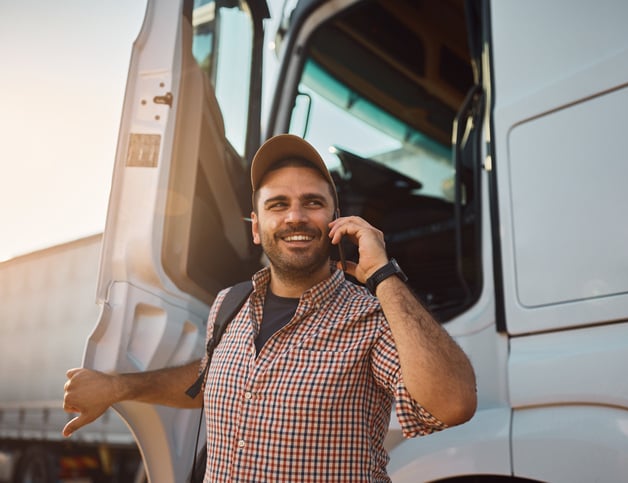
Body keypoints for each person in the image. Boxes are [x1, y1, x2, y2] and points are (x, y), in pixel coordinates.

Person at [63, 134, 477, 481]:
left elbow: (454, 404)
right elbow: (209, 381)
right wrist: (118, 387)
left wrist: (383, 274)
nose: (295, 217)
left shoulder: (371, 317)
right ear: (257, 228)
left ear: (337, 220)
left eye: (313, 202)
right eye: (278, 205)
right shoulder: (230, 303)